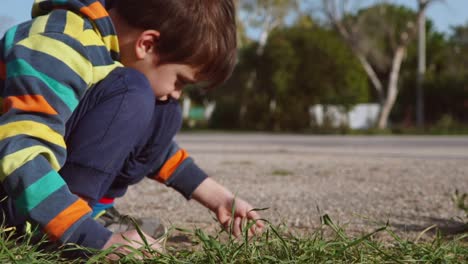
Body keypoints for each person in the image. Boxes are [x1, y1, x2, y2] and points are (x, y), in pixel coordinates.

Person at [0, 0, 263, 256]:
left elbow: (152, 150)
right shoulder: (59, 45)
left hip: (28, 191)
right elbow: (21, 152)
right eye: (180, 81)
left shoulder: (108, 51)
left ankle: (84, 213)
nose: (177, 94)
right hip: (12, 193)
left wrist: (220, 199)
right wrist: (89, 238)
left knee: (163, 110)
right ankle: (57, 226)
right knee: (134, 90)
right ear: (146, 43)